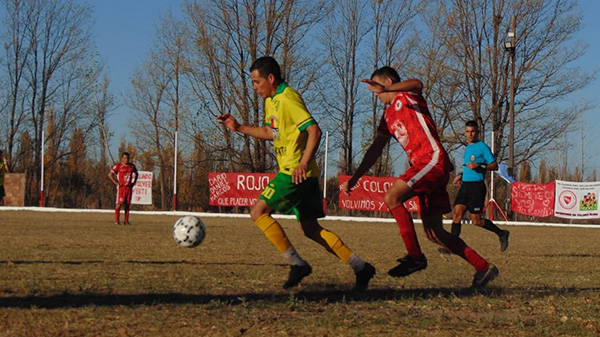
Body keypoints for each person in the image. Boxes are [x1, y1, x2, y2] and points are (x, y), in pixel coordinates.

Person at [217, 56, 375, 291]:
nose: (255, 87)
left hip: (295, 172)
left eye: (257, 82)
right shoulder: (272, 101)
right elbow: (272, 132)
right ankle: (361, 267)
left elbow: (314, 130)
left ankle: (297, 264)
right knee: (311, 229)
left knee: (258, 211)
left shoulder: (288, 98)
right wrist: (239, 128)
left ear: (271, 78)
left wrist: (302, 162)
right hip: (304, 174)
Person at [342, 66, 498, 288]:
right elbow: (375, 149)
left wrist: (390, 88)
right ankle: (483, 266)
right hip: (426, 167)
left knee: (392, 197)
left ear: (388, 82)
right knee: (434, 233)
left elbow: (417, 83)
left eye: (378, 90)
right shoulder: (387, 116)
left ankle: (415, 257)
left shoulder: (407, 95)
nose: (376, 96)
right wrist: (356, 177)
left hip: (431, 160)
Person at [439, 120, 510, 255]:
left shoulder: (482, 147)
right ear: (465, 133)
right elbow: (468, 167)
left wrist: (479, 166)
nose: (470, 134)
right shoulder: (467, 148)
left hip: (477, 188)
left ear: (477, 133)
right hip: (465, 186)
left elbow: (494, 165)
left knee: (476, 221)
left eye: (472, 131)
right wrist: (461, 175)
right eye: (468, 132)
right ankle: (452, 247)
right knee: (457, 214)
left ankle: (502, 233)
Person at [108, 152, 138, 225]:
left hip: (128, 188)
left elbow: (136, 173)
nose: (126, 159)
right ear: (122, 158)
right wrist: (116, 182)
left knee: (127, 204)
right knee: (119, 204)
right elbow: (110, 174)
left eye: (127, 158)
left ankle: (126, 221)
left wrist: (133, 183)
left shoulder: (132, 166)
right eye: (124, 158)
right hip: (121, 188)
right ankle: (117, 221)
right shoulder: (118, 166)